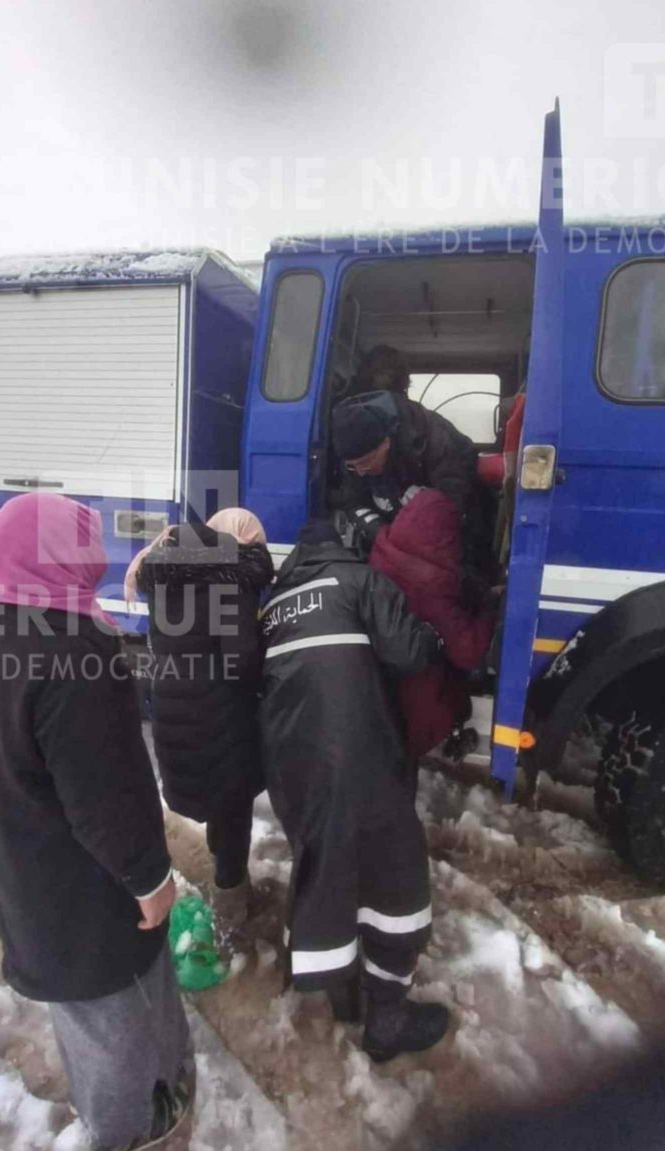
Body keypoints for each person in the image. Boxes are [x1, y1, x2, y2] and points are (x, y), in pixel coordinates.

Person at [0, 492, 197, 1148]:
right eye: (84, 558)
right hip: (84, 892)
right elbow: (107, 793)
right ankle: (125, 1131)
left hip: (25, 874)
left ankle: (148, 1094)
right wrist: (150, 877)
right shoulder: (74, 655)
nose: (92, 571)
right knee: (113, 1025)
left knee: (92, 1017)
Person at [259, 518, 451, 1063]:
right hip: (359, 755)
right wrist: (432, 637)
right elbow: (407, 654)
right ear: (343, 549)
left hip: (293, 769)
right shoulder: (362, 581)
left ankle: (344, 993)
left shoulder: (274, 607)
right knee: (392, 877)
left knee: (329, 865)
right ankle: (387, 1018)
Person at [133, 507, 274, 953]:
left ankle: (225, 883)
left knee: (214, 797)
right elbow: (240, 663)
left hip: (175, 708)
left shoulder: (165, 574)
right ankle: (231, 914)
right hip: (220, 712)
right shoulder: (226, 579)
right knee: (232, 809)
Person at [367, 489, 495, 763]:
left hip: (372, 695)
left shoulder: (381, 559)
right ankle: (446, 735)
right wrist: (488, 607)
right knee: (452, 673)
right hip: (408, 719)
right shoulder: (432, 586)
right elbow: (468, 652)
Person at [328, 388, 479, 556]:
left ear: (385, 443)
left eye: (365, 463)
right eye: (352, 466)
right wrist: (381, 533)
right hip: (392, 528)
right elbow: (352, 501)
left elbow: (456, 498)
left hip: (449, 518)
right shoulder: (351, 447)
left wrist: (425, 502)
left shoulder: (435, 441)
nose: (360, 472)